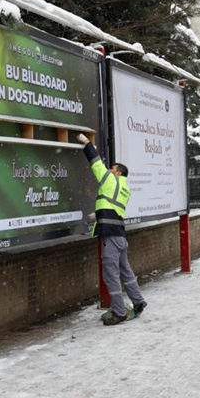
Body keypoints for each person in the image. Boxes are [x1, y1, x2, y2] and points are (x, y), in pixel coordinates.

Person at [77, 133, 147, 325]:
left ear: (118, 173)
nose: (109, 169)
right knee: (126, 271)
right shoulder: (125, 189)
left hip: (110, 236)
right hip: (120, 236)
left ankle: (119, 312)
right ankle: (138, 301)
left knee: (111, 275)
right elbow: (111, 207)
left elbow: (95, 163)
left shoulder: (110, 180)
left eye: (112, 168)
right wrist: (96, 216)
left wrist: (86, 143)